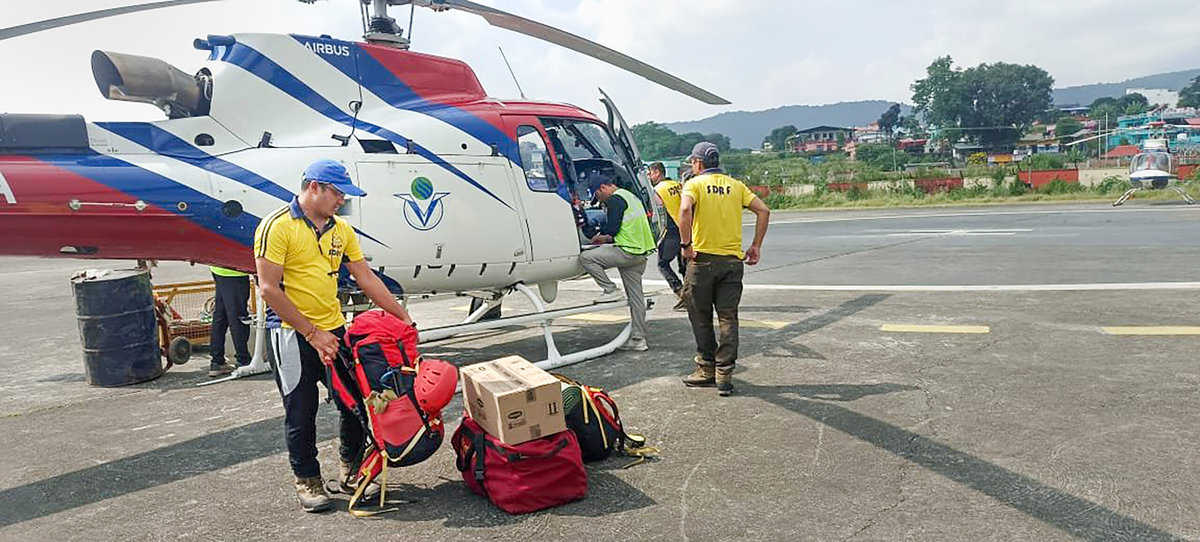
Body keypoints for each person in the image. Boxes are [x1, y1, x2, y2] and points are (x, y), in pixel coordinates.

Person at [253, 159, 415, 513]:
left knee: (356, 403)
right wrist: (312, 333)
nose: (342, 200)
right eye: (337, 193)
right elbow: (268, 290)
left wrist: (401, 316)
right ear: (314, 187)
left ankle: (352, 468)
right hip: (291, 333)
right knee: (300, 409)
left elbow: (366, 278)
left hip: (333, 329)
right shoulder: (276, 227)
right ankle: (307, 479)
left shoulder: (341, 230)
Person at [678, 142, 770, 396]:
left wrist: (686, 245)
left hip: (702, 260)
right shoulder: (736, 186)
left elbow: (685, 209)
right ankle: (724, 373)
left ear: (698, 163)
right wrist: (756, 246)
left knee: (700, 315)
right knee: (728, 317)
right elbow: (763, 210)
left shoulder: (694, 184)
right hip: (732, 262)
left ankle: (705, 367)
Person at [579, 175, 657, 352]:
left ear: (602, 188)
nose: (599, 200)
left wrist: (598, 238)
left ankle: (610, 290)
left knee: (586, 258)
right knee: (636, 298)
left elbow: (613, 229)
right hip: (641, 253)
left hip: (626, 250)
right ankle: (639, 339)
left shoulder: (614, 199)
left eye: (598, 195)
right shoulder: (631, 196)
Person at [649, 162, 688, 312]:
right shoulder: (677, 185)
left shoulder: (657, 190)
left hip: (671, 230)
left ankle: (681, 292)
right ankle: (692, 294)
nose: (649, 177)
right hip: (685, 229)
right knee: (684, 266)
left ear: (657, 172)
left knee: (663, 264)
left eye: (650, 173)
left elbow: (657, 212)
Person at [207, 266, 251, 377]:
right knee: (238, 318)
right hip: (234, 270)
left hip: (218, 268)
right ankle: (243, 360)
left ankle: (217, 361)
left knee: (221, 315)